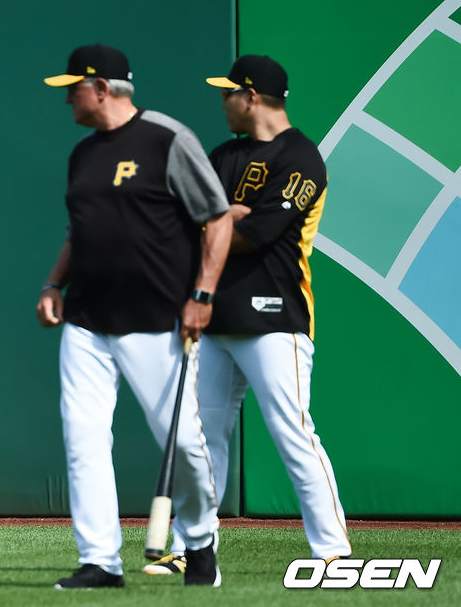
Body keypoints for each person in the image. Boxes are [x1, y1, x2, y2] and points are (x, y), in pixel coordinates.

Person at [37, 43, 233, 589]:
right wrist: (54, 283)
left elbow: (217, 219)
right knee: (83, 439)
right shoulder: (82, 154)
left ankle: (199, 541)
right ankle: (101, 560)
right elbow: (80, 232)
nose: (67, 99)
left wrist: (203, 295)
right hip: (86, 321)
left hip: (156, 319)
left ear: (101, 88)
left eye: (73, 88)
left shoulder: (167, 139)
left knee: (184, 442)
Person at [146, 55, 351, 574]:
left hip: (275, 320)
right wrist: (220, 222)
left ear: (252, 97)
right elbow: (184, 224)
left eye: (228, 93)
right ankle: (192, 550)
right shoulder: (223, 156)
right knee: (201, 439)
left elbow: (256, 234)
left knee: (293, 434)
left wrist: (221, 224)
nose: (222, 102)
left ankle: (332, 553)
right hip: (215, 317)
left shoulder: (302, 158)